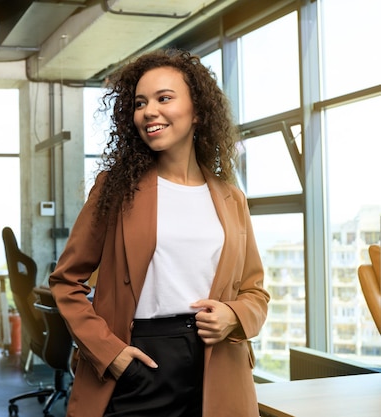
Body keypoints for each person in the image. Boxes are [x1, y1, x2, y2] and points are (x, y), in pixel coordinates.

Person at [48, 49, 270, 417]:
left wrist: (234, 316)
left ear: (197, 111)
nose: (148, 111)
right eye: (140, 103)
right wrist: (110, 353)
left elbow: (255, 291)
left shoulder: (232, 198)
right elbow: (66, 281)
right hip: (139, 363)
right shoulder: (115, 189)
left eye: (164, 98)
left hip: (218, 365)